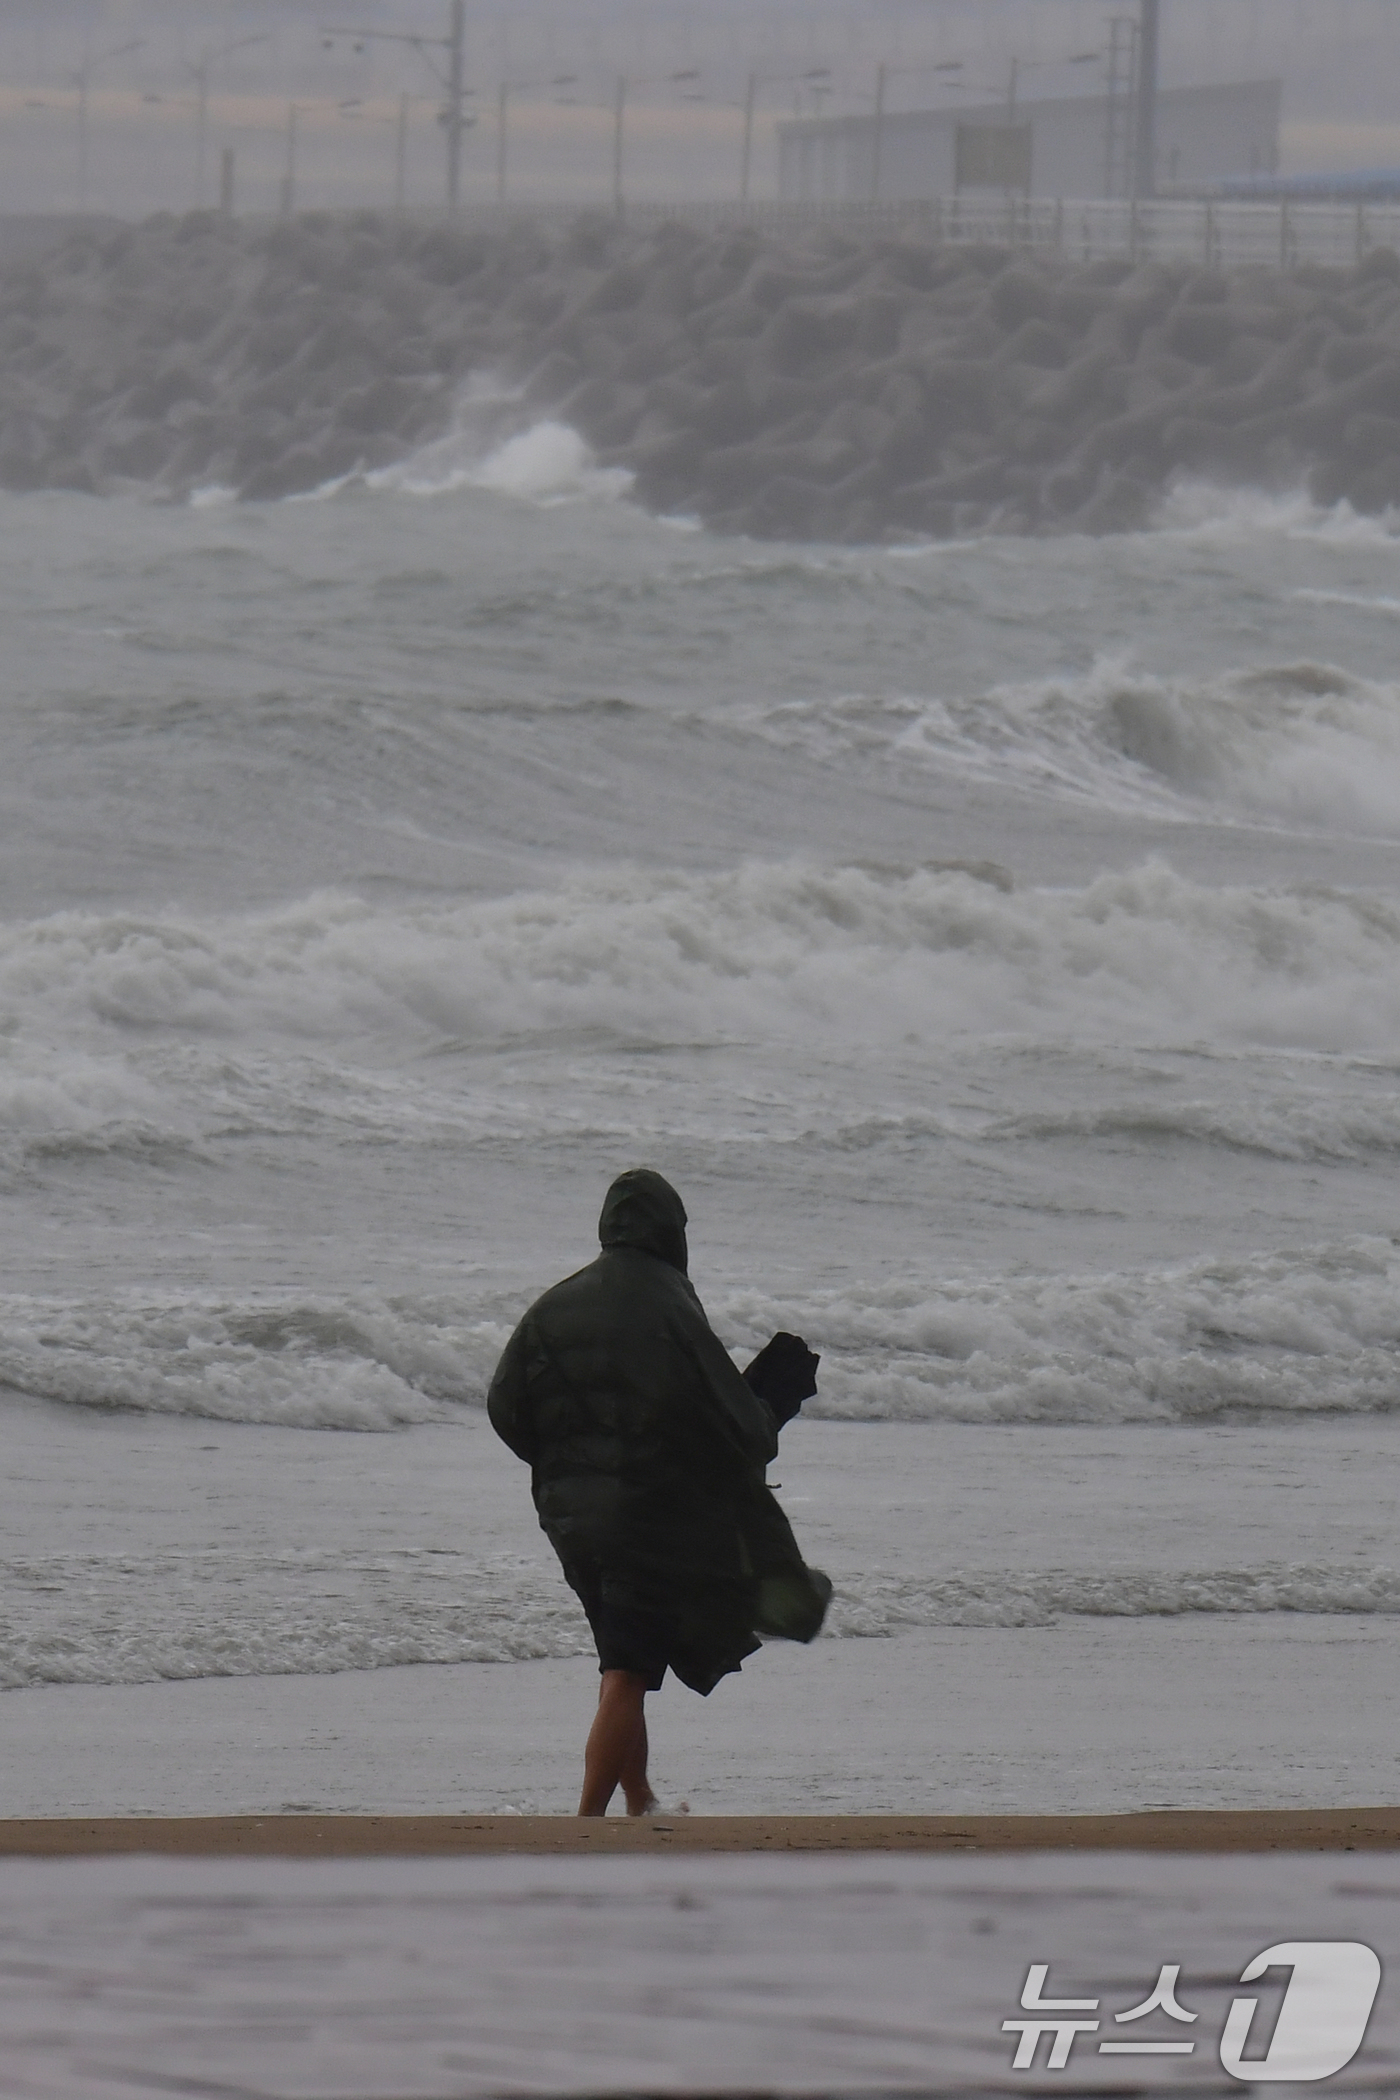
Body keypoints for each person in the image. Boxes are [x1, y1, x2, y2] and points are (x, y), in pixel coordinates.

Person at [487, 1166, 831, 1817]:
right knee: (625, 1670)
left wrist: (568, 1465)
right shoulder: (670, 1302)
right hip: (644, 1522)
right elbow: (734, 1422)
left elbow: (506, 1409)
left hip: (571, 1521)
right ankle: (587, 1822)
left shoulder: (553, 1305)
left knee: (627, 1661)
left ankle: (639, 1798)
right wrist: (773, 1401)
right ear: (671, 1230)